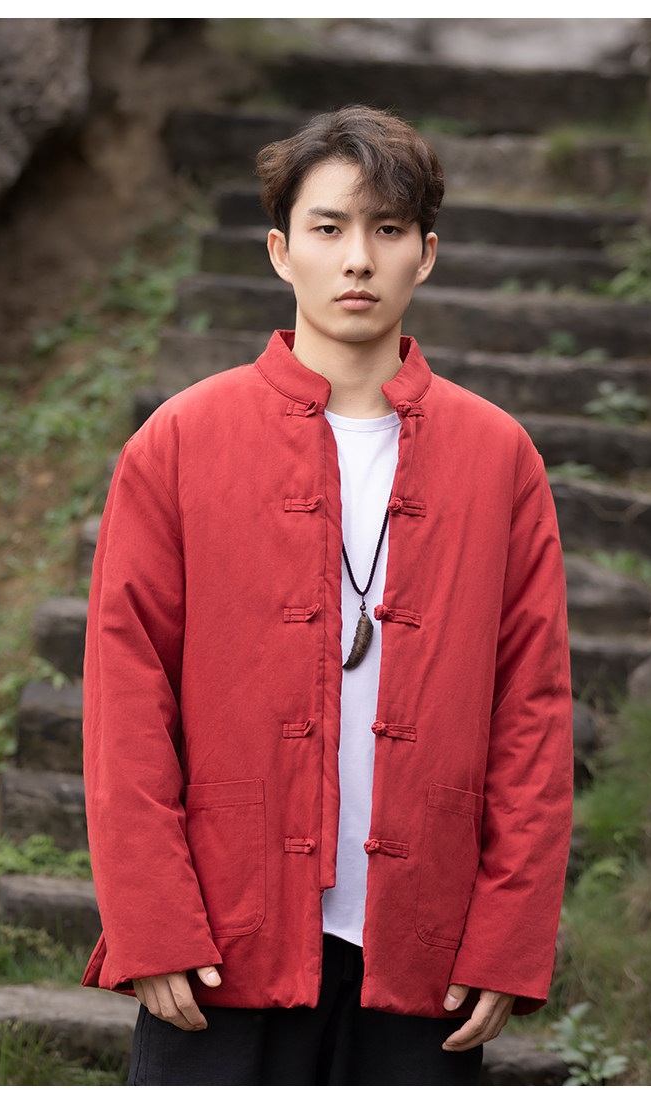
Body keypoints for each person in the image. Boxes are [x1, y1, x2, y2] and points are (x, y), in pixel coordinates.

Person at [82, 105, 573, 1086]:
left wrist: (509, 933)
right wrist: (151, 917)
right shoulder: (180, 442)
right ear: (280, 251)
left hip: (423, 948)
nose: (358, 258)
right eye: (329, 226)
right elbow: (125, 695)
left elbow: (534, 709)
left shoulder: (498, 457)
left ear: (425, 255)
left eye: (388, 229)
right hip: (223, 935)